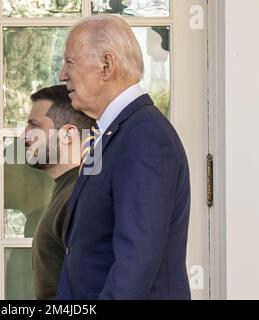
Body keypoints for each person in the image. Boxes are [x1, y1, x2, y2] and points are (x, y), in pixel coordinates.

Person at [56, 15, 191, 300]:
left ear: (106, 65)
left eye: (69, 62)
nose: (62, 75)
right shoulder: (115, 131)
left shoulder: (145, 136)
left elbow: (137, 259)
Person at [24, 85, 95, 299]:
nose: (24, 135)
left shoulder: (82, 194)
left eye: (34, 126)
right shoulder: (68, 187)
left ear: (67, 134)